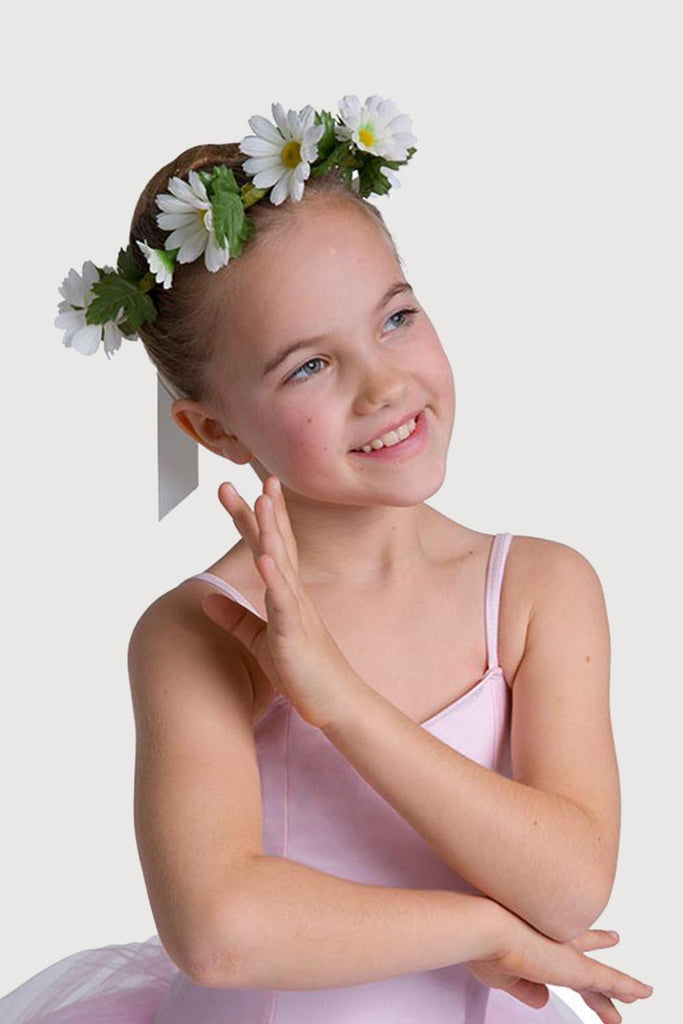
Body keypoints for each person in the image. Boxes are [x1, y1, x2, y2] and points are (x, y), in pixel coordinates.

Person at [0, 94, 653, 1024]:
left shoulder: (538, 590)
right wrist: (482, 929)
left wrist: (339, 698)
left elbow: (569, 888)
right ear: (215, 430)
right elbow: (220, 931)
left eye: (395, 318)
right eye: (309, 365)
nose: (383, 385)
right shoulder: (203, 629)